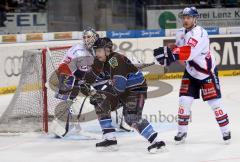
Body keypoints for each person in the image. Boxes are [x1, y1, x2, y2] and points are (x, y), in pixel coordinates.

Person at [153, 7, 231, 144]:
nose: (185, 20)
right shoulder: (180, 33)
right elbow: (178, 49)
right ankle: (182, 132)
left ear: (195, 19)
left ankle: (226, 130)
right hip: (190, 73)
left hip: (207, 73)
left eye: (188, 17)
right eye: (184, 17)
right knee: (184, 102)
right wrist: (169, 51)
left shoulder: (200, 33)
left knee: (215, 105)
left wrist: (170, 55)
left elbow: (189, 52)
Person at [83, 37, 166, 153]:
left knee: (132, 118)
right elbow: (93, 78)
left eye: (99, 51)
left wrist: (101, 92)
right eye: (95, 51)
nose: (96, 54)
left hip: (136, 90)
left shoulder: (115, 60)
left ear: (107, 50)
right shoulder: (101, 61)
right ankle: (110, 139)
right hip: (123, 91)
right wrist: (82, 83)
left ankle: (157, 142)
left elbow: (119, 87)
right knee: (100, 103)